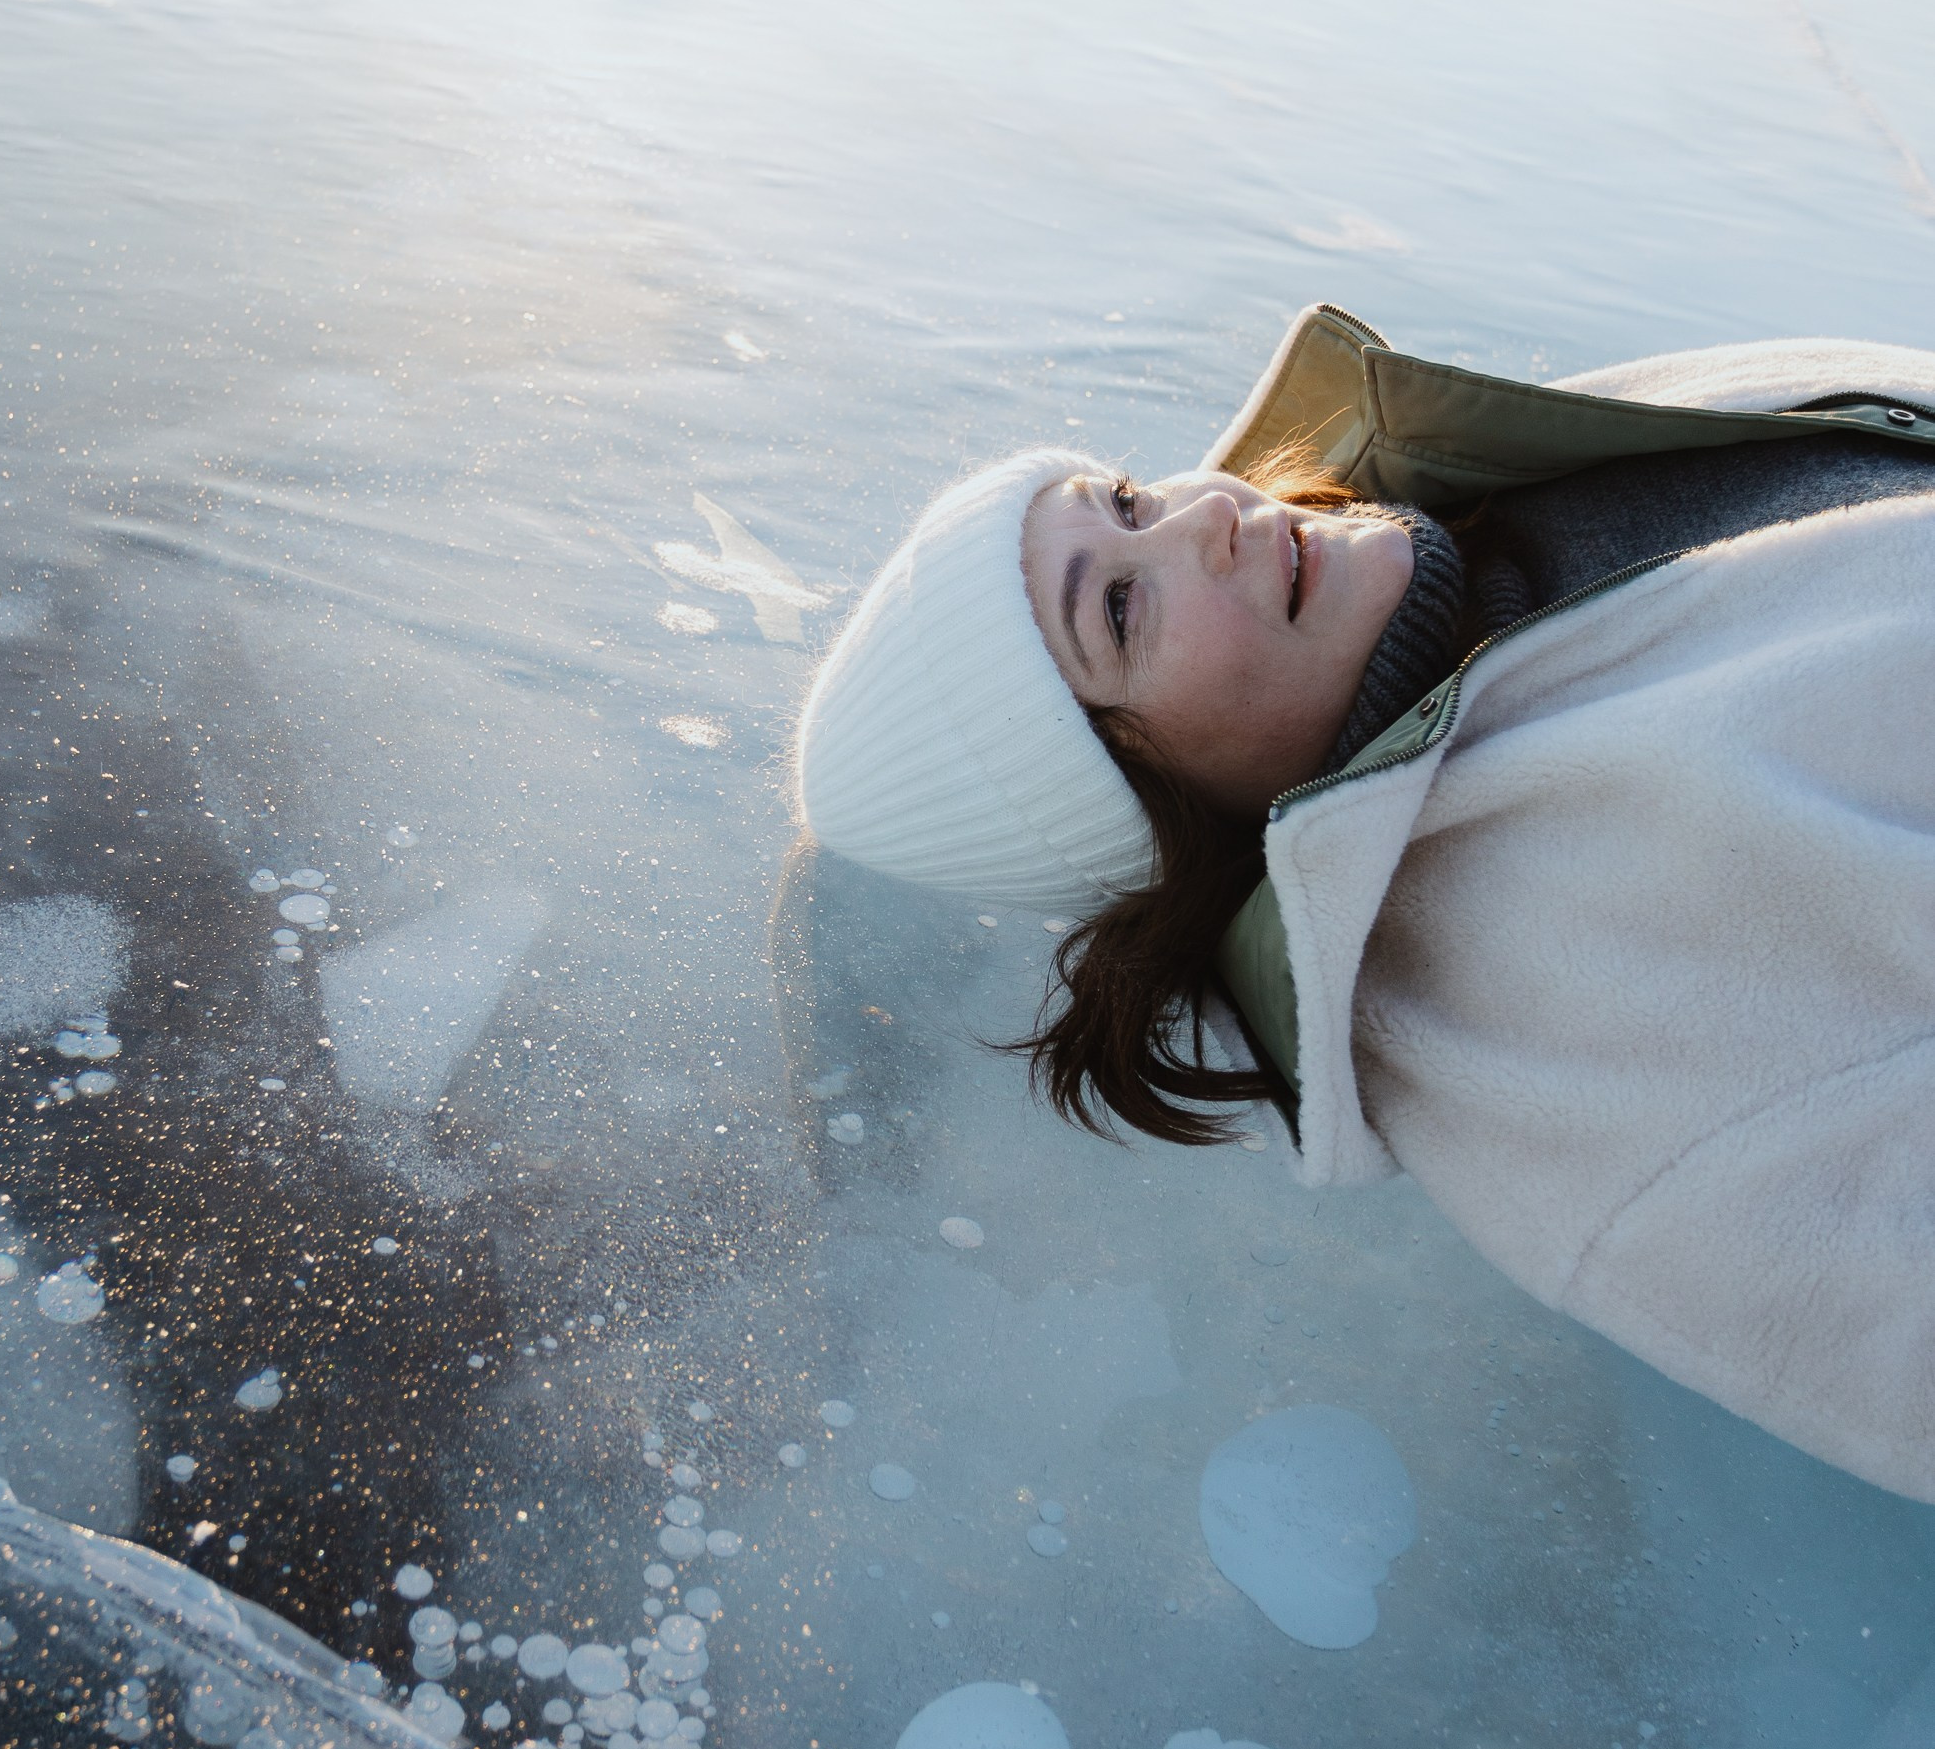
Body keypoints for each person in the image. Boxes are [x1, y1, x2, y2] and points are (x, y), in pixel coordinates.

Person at [793, 302, 1935, 1504]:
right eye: (1120, 608)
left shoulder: (1484, 494)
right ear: (1146, 809)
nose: (1208, 515)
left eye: (1125, 500)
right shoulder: (1546, 1031)